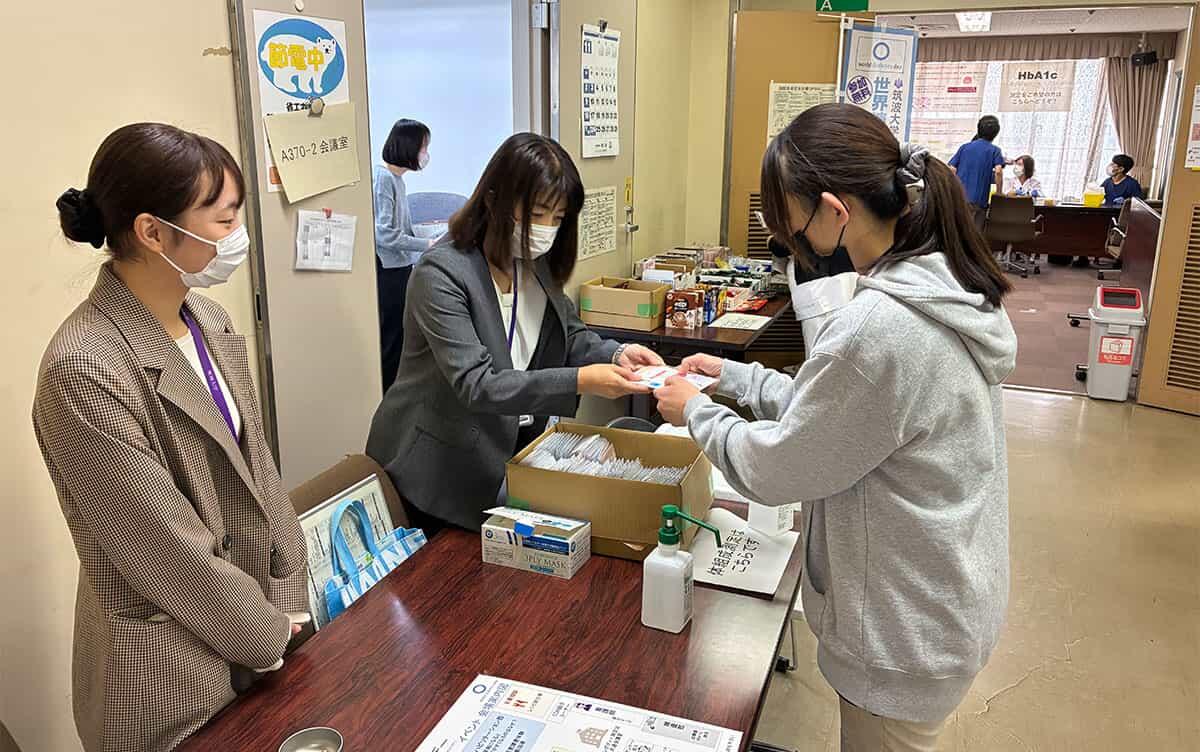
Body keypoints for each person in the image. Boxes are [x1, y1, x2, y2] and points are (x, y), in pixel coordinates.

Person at [655, 104, 1016, 751]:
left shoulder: (881, 327)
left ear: (833, 210)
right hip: (941, 601)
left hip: (901, 636)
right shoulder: (943, 284)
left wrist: (695, 412)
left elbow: (779, 467)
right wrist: (734, 378)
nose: (793, 242)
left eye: (792, 225)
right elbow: (841, 415)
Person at [34, 123, 309, 752]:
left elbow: (259, 469)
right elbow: (166, 552)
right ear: (153, 232)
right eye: (223, 219)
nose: (237, 236)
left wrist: (289, 597)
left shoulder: (208, 318)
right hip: (171, 672)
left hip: (263, 628)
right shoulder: (82, 367)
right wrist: (268, 632)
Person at [366, 133, 662, 534]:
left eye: (558, 218)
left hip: (503, 455)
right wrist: (580, 380)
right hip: (435, 470)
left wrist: (616, 355)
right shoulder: (441, 274)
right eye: (538, 213)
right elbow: (478, 384)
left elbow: (570, 335)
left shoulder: (534, 264)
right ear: (494, 200)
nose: (546, 229)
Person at [375, 118, 434, 392]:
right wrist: (427, 244)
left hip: (400, 267)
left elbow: (403, 229)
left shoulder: (397, 180)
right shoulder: (384, 180)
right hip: (388, 270)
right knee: (392, 338)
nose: (425, 154)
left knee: (400, 334)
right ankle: (388, 394)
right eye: (423, 147)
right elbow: (384, 235)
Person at [949, 115, 1006, 231]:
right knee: (976, 233)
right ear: (995, 134)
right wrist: (999, 193)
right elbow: (998, 172)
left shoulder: (964, 147)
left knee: (959, 230)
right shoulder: (994, 150)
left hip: (960, 198)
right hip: (979, 200)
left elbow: (951, 169)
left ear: (978, 129)